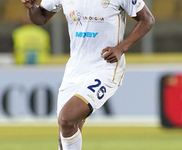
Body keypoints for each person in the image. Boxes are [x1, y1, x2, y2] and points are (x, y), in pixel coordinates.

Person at [21, 0, 155, 149]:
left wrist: (120, 48)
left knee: (67, 118)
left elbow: (147, 19)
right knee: (66, 132)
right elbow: (41, 18)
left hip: (105, 68)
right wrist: (32, 7)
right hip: (75, 69)